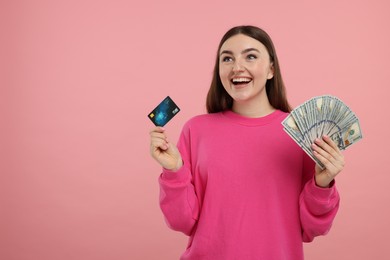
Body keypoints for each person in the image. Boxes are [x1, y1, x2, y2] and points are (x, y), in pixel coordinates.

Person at [149, 25, 344, 260]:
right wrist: (173, 171)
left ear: (271, 69)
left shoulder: (300, 134)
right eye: (227, 58)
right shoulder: (196, 129)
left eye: (250, 56)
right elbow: (182, 222)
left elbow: (312, 228)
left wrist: (322, 185)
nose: (237, 67)